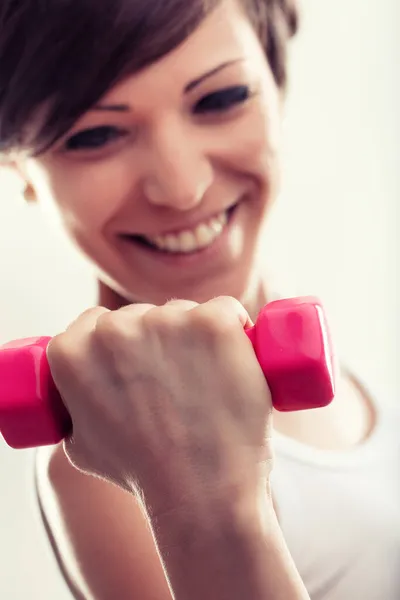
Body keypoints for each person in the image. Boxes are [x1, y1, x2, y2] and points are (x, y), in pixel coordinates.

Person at [1, 0, 399, 599]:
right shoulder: (98, 469)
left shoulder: (347, 345)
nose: (183, 188)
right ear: (19, 167)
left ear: (276, 82)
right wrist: (203, 501)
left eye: (219, 100)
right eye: (96, 134)